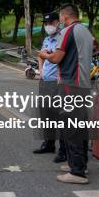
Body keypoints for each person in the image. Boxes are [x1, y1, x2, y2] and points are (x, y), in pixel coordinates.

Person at [39, 3, 93, 184]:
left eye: (60, 18)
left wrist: (45, 54)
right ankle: (80, 164)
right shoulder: (85, 31)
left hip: (70, 83)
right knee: (81, 126)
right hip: (84, 83)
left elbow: (56, 58)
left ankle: (77, 172)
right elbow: (96, 48)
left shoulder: (68, 31)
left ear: (63, 17)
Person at [33, 12, 66, 163]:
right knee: (46, 115)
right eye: (46, 24)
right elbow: (41, 55)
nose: (48, 26)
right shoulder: (47, 39)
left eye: (50, 23)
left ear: (57, 23)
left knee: (60, 117)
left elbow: (61, 58)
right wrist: (41, 71)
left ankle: (63, 150)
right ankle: (49, 143)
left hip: (57, 83)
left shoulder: (62, 39)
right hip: (45, 81)